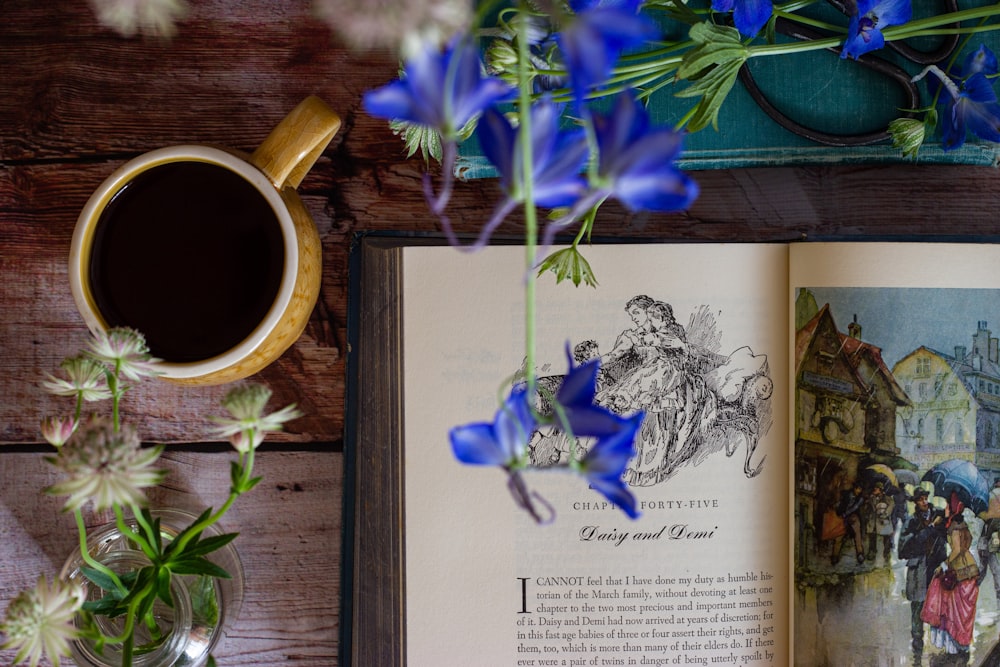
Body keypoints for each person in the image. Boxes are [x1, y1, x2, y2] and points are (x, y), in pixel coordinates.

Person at [898, 488, 948, 665]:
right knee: (918, 611)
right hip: (918, 571)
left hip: (935, 569)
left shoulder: (938, 517)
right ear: (915, 503)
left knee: (940, 609)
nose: (925, 502)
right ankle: (917, 654)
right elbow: (903, 549)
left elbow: (946, 540)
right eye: (921, 499)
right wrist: (929, 529)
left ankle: (942, 649)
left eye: (926, 498)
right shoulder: (911, 522)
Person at [921, 513, 980, 660]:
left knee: (952, 609)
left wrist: (943, 565)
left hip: (960, 573)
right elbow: (964, 547)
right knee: (962, 612)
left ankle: (954, 646)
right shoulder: (965, 529)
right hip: (970, 571)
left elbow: (956, 550)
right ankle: (961, 645)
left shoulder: (955, 530)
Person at [977, 478, 1000, 604]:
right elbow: (989, 531)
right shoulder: (991, 514)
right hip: (985, 545)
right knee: (987, 570)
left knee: (986, 571)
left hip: (987, 545)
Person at [833, 482, 866, 565]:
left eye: (861, 489)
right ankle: (835, 556)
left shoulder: (860, 499)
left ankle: (860, 554)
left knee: (857, 535)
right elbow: (839, 504)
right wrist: (840, 512)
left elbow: (855, 508)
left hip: (853, 516)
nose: (859, 491)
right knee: (839, 536)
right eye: (858, 489)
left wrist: (846, 514)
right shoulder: (846, 494)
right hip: (843, 517)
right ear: (855, 488)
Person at [865, 481, 895, 563]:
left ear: (881, 490)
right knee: (872, 535)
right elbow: (868, 508)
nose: (875, 489)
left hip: (883, 520)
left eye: (877, 488)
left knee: (887, 536)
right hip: (873, 520)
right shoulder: (871, 498)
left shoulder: (887, 498)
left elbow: (891, 507)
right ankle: (872, 551)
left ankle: (886, 553)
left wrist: (885, 514)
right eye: (875, 488)